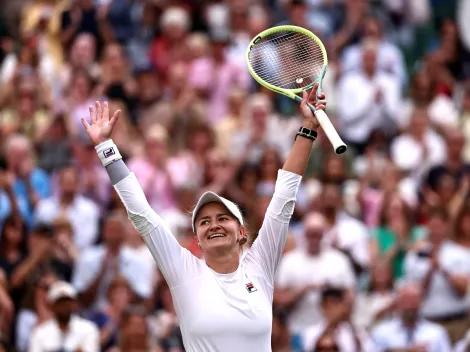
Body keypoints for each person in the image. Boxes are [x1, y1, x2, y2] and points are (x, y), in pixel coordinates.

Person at [80, 83, 327, 351]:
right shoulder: (183, 270)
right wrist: (106, 147)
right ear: (196, 237)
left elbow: (283, 199)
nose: (214, 225)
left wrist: (308, 128)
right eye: (204, 221)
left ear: (241, 232)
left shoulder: (260, 266)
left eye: (223, 218)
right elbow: (142, 214)